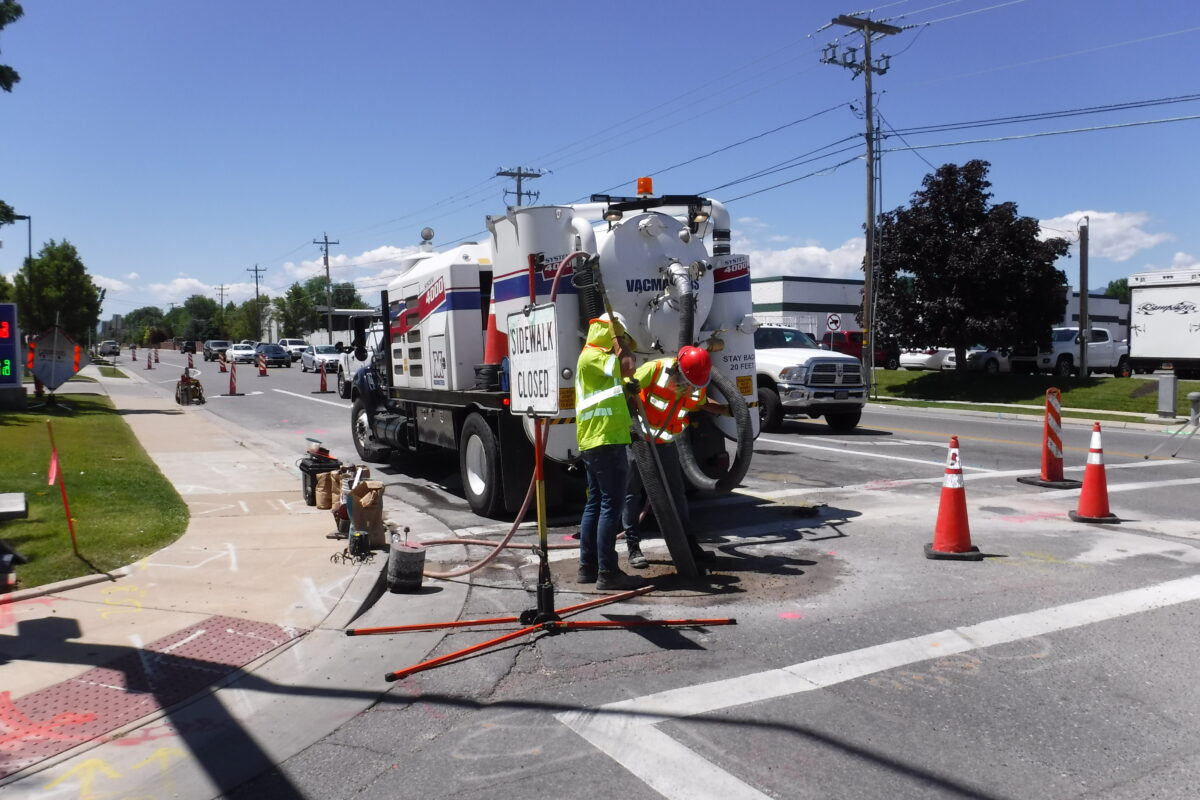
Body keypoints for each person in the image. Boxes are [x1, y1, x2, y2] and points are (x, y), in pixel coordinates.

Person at [622, 346, 730, 569]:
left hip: (666, 443)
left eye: (694, 386)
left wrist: (728, 409)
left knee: (677, 494)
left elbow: (701, 403)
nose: (689, 388)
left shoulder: (696, 382)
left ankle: (689, 544)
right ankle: (633, 547)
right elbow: (624, 392)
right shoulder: (654, 369)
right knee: (632, 493)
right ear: (677, 369)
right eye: (686, 382)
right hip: (638, 441)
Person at [575, 312, 643, 591]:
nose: (625, 342)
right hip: (605, 440)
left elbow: (615, 381)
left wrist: (628, 388)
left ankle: (587, 567)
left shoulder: (594, 359)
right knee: (610, 505)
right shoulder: (592, 356)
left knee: (596, 504)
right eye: (621, 337)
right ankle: (607, 571)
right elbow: (627, 363)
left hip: (597, 439)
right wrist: (620, 340)